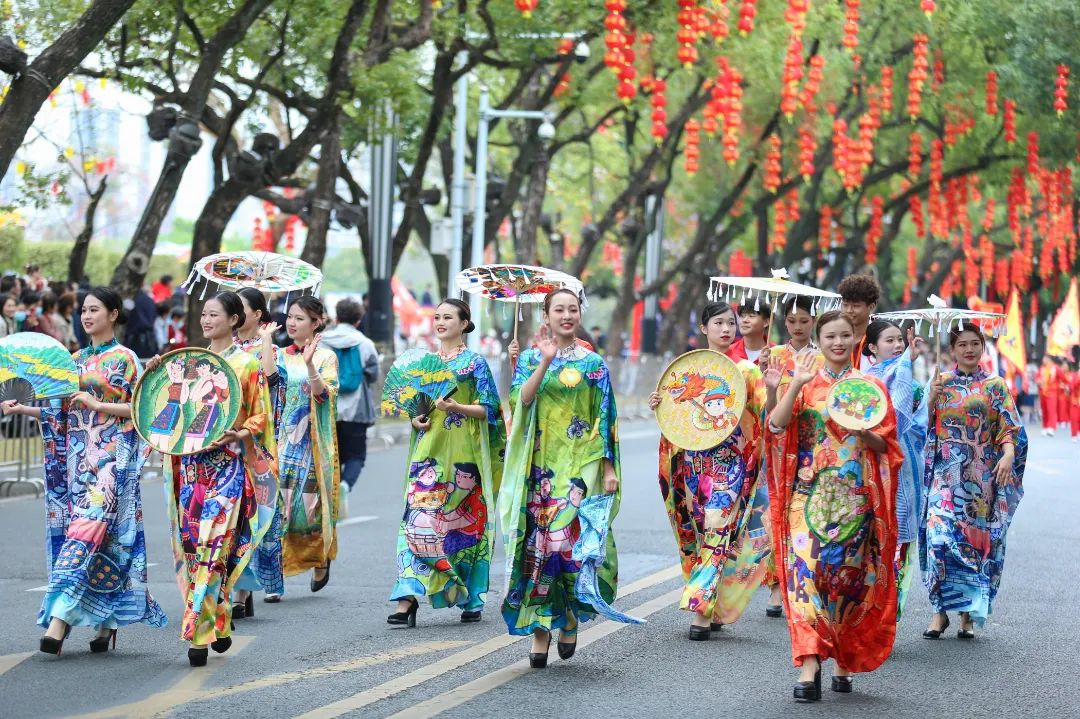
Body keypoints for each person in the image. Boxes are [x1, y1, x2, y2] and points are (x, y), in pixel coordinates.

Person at [1, 287, 167, 656]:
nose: (86, 316)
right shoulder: (71, 361)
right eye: (83, 310)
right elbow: (57, 412)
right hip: (78, 465)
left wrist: (97, 403)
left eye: (94, 309)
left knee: (83, 534)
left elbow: (141, 411)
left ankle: (58, 621)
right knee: (104, 541)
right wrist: (22, 409)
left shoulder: (126, 359)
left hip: (113, 461)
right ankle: (106, 622)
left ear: (113, 314)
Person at [766, 310, 902, 701]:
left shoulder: (870, 387)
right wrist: (793, 384)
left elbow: (888, 445)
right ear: (820, 340)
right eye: (830, 336)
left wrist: (865, 432)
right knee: (804, 574)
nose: (838, 342)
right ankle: (809, 663)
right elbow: (776, 426)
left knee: (844, 581)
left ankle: (843, 657)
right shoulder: (804, 381)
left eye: (844, 335)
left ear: (855, 339)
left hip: (854, 502)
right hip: (806, 499)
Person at [500, 288, 622, 668]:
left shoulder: (594, 365)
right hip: (539, 467)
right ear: (546, 316)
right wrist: (543, 362)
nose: (567, 315)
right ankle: (541, 628)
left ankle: (568, 615)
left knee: (569, 546)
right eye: (559, 309)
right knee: (538, 547)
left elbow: (605, 416)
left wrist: (607, 468)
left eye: (572, 309)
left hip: (581, 466)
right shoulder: (532, 357)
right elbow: (521, 400)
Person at [154, 291, 278, 666]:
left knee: (213, 547)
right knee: (197, 552)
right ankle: (218, 617)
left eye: (214, 314)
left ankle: (197, 634)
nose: (206, 320)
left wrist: (241, 432)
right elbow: (167, 410)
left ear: (234, 319)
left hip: (228, 469)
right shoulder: (191, 364)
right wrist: (159, 374)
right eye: (204, 314)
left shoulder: (246, 364)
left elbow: (261, 415)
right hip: (192, 469)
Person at [648, 302, 770, 640]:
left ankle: (700, 608)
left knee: (717, 527)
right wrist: (659, 405)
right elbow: (675, 419)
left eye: (731, 323)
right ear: (704, 328)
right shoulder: (689, 370)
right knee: (699, 531)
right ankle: (714, 601)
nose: (726, 329)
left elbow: (764, 417)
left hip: (729, 465)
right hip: (692, 464)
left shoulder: (748, 371)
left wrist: (772, 386)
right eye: (718, 323)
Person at [388, 299, 505, 627]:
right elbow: (416, 408)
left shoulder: (475, 364)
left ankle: (470, 595)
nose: (440, 322)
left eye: (448, 317)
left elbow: (490, 409)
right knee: (415, 521)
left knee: (461, 528)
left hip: (463, 457)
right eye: (437, 316)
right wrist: (416, 420)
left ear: (464, 323)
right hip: (428, 454)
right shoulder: (424, 363)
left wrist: (457, 408)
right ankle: (407, 596)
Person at [921, 324, 1027, 641]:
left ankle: (967, 614)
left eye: (974, 343)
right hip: (944, 476)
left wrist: (1008, 454)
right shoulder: (940, 382)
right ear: (952, 349)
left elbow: (1009, 427)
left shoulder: (995, 386)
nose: (969, 349)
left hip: (980, 480)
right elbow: (920, 426)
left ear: (982, 347)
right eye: (962, 344)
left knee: (973, 545)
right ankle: (939, 610)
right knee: (939, 539)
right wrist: (930, 399)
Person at [863, 320, 929, 618]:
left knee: (899, 540)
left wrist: (930, 395)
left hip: (903, 467)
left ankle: (888, 610)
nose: (898, 345)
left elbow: (918, 425)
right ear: (872, 347)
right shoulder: (864, 380)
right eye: (889, 340)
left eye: (899, 339)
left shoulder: (909, 380)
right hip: (871, 464)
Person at [278, 296, 341, 591]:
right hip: (281, 440)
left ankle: (318, 557)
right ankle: (275, 570)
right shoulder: (279, 354)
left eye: (299, 318)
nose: (292, 323)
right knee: (280, 507)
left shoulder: (326, 357)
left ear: (316, 324)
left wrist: (309, 364)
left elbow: (324, 395)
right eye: (290, 317)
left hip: (311, 443)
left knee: (307, 509)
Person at [231, 286, 287, 609]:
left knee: (256, 513)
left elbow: (270, 381)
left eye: (242, 307)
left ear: (257, 314)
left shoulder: (268, 349)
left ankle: (248, 588)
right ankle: (238, 587)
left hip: (257, 443)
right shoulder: (223, 350)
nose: (236, 313)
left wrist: (265, 341)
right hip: (226, 441)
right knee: (233, 515)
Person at [321, 298, 380, 492]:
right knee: (356, 455)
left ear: (337, 317)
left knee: (332, 456)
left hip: (328, 407)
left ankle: (332, 493)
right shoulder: (365, 343)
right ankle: (345, 486)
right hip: (356, 410)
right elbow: (373, 374)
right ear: (358, 320)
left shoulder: (322, 341)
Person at [838, 274, 880, 370]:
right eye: (845, 305)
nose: (849, 310)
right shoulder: (835, 337)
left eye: (856, 306)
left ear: (871, 306)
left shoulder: (880, 338)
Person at [1037, 355, 1059, 435]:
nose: (1043, 360)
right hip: (1043, 393)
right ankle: (1045, 427)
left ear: (1049, 359)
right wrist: (1038, 381)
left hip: (1052, 393)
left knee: (1051, 410)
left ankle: (1051, 427)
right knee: (1044, 410)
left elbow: (1063, 378)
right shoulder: (1041, 368)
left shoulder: (1055, 368)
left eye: (1045, 359)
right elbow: (1037, 377)